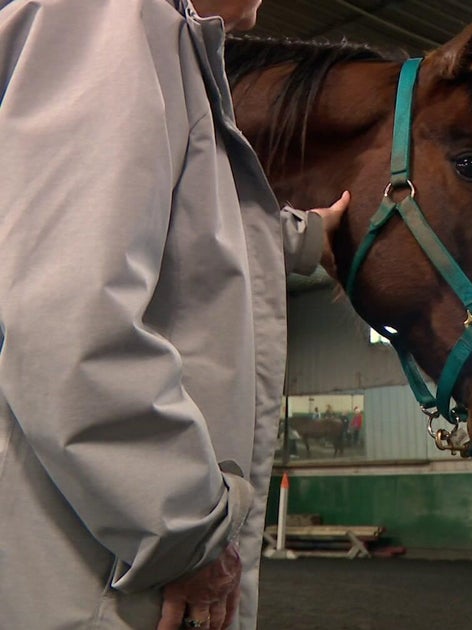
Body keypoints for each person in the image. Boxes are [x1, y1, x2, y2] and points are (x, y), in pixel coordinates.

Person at [0, 1, 348, 629]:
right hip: (97, 566)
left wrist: (305, 237)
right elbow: (68, 322)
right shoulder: (109, 19)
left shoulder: (137, 33)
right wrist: (184, 531)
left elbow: (186, 231)